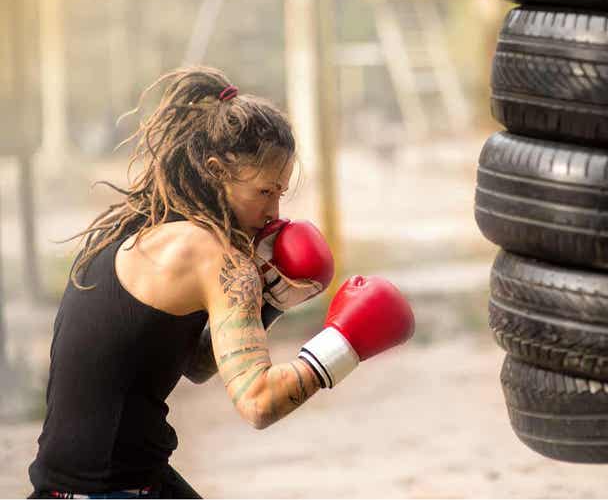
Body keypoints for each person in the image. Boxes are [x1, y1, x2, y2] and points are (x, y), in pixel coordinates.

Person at [27, 66, 415, 499]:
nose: (274, 210)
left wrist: (270, 302)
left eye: (281, 193)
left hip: (79, 484)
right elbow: (259, 402)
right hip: (113, 488)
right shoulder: (215, 256)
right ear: (216, 171)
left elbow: (193, 364)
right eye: (265, 192)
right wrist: (344, 343)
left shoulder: (138, 228)